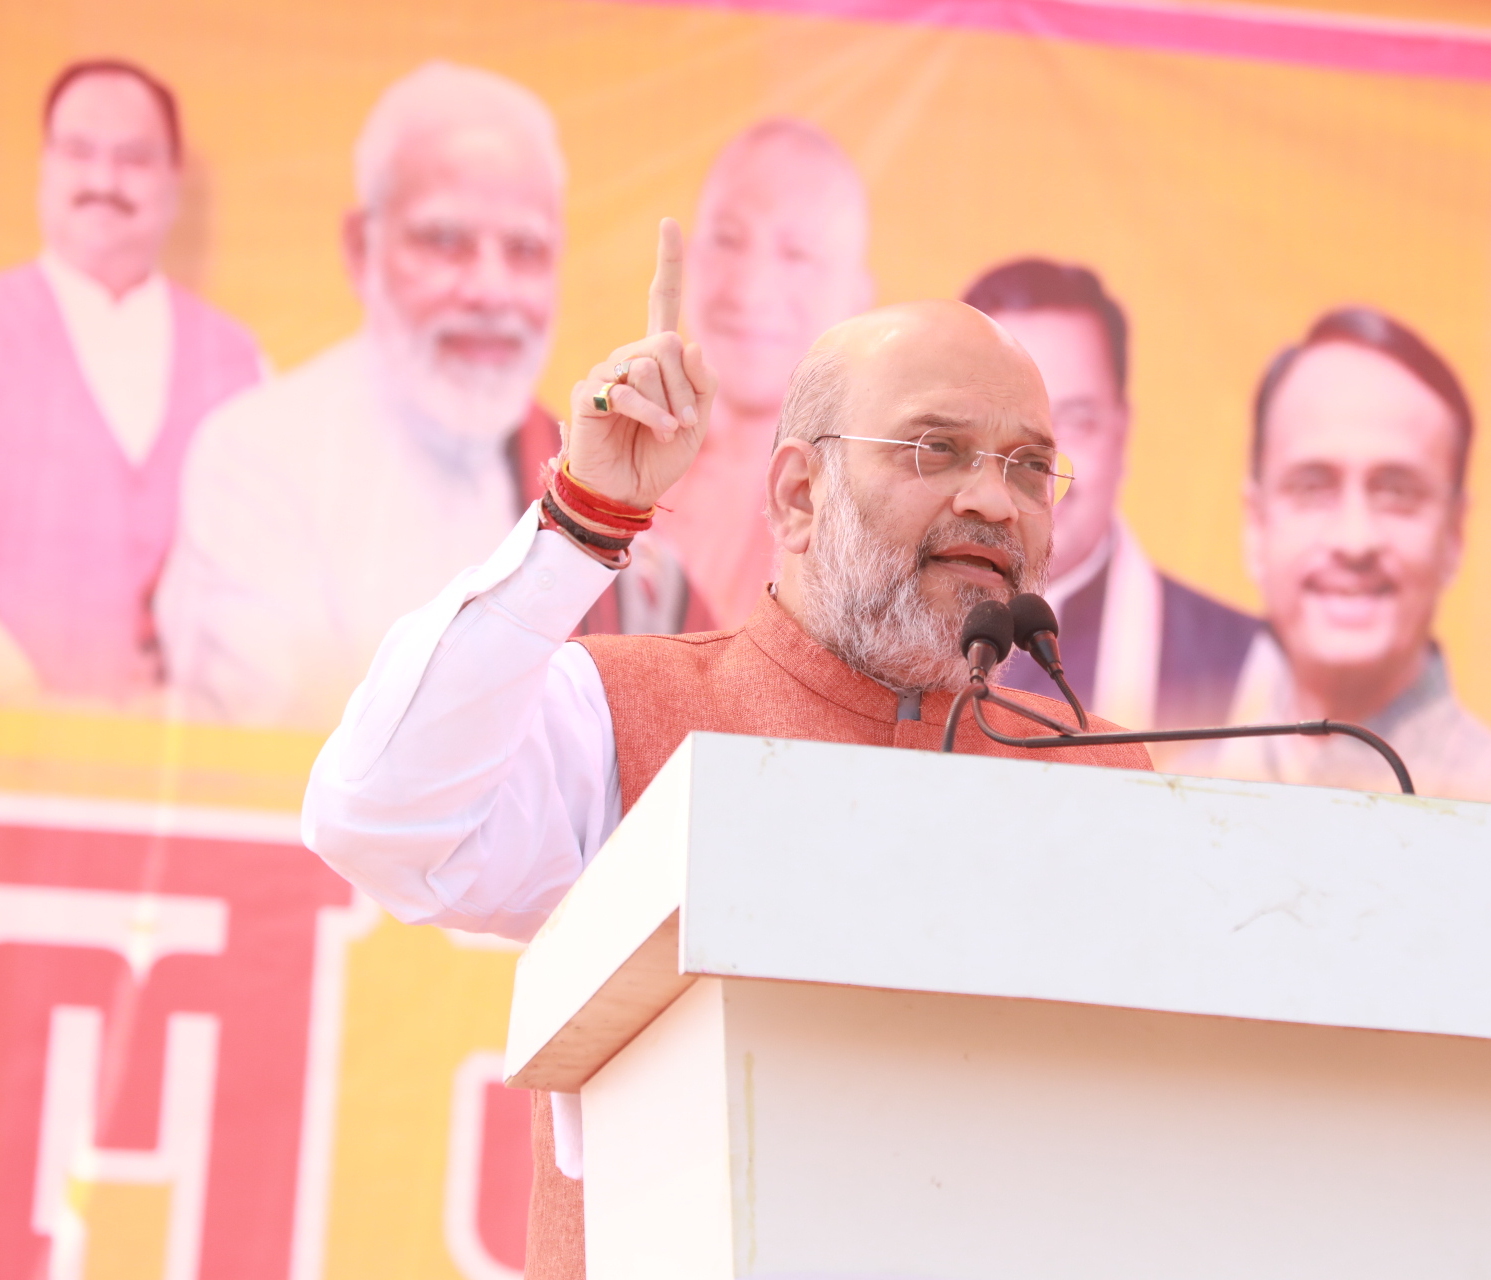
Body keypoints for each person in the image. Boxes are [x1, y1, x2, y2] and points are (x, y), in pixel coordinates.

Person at [302, 221, 1151, 1279]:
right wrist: (584, 518)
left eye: (1031, 466)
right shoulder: (625, 711)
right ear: (799, 494)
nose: (995, 498)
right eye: (937, 450)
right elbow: (379, 817)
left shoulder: (1110, 783)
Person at [157, 62, 681, 731]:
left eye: (525, 250)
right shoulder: (254, 457)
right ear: (359, 248)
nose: (491, 291)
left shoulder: (583, 467)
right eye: (445, 240)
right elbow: (295, 745)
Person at [0, 59, 262, 705]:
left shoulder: (239, 360)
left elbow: (260, 581)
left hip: (178, 766)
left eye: (133, 158)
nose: (103, 181)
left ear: (172, 176)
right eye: (79, 152)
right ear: (45, 165)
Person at [1202, 307, 1491, 803]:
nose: (1354, 540)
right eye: (1312, 487)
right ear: (1256, 524)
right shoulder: (1180, 788)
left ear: (1454, 533)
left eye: (1396, 493)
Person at [963, 259, 1258, 732]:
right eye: (1005, 419)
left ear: (1122, 436)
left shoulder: (1243, 666)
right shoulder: (876, 626)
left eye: (1077, 421)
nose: (1043, 463)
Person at [648, 118, 873, 631]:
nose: (751, 289)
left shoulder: (869, 511)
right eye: (728, 241)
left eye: (797, 255)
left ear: (858, 299)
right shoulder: (623, 463)